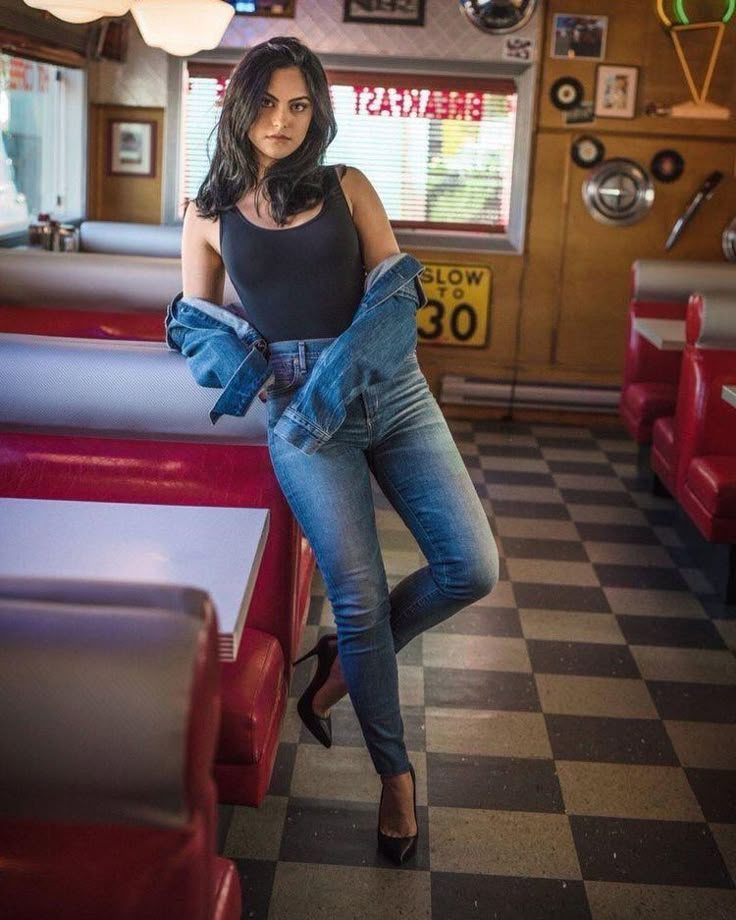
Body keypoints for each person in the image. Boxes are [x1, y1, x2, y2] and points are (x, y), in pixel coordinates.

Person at [180, 36, 498, 865]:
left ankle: (338, 669)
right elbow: (194, 320)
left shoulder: (347, 186)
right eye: (266, 102)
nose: (281, 121)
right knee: (359, 603)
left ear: (317, 110)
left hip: (391, 392)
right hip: (300, 422)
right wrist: (248, 373)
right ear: (238, 105)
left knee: (473, 566)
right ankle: (396, 779)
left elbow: (398, 289)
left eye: (298, 105)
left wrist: (344, 373)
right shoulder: (206, 212)